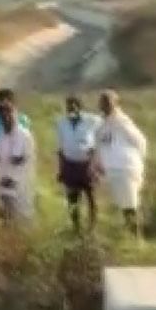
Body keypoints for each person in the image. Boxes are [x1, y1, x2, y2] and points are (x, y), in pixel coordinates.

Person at [94, 90, 148, 238]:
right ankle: (129, 237)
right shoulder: (102, 125)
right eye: (103, 102)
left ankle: (136, 238)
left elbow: (141, 142)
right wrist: (99, 165)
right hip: (111, 169)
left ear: (115, 103)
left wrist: (135, 162)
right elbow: (100, 146)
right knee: (123, 205)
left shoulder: (123, 122)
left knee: (131, 204)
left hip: (126, 168)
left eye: (108, 102)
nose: (105, 105)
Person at [0, 99, 37, 223]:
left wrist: (10, 175)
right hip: (3, 175)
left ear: (14, 114)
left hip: (19, 176)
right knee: (3, 207)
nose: (6, 117)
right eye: (2, 115)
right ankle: (7, 232)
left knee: (15, 207)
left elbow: (20, 159)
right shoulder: (0, 133)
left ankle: (14, 232)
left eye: (8, 113)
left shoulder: (23, 134)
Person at [56, 95, 103, 234]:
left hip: (87, 164)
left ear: (80, 107)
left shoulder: (92, 120)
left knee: (91, 196)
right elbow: (60, 147)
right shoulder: (61, 123)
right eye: (69, 105)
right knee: (72, 198)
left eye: (75, 105)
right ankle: (76, 228)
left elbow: (101, 138)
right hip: (70, 163)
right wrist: (61, 168)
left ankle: (92, 227)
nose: (72, 108)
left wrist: (96, 161)